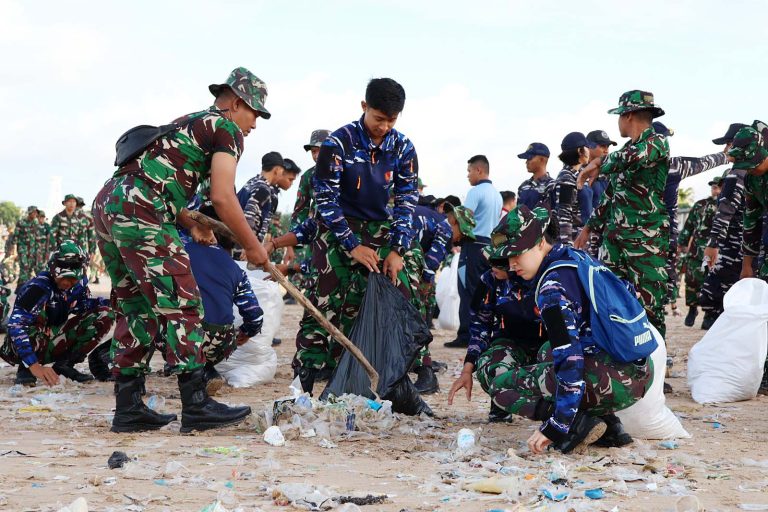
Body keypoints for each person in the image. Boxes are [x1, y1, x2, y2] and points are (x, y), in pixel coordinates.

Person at [92, 67, 269, 433]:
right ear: (237, 103)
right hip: (143, 211)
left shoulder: (188, 123)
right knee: (185, 304)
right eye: (255, 113)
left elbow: (159, 180)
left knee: (135, 306)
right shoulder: (227, 129)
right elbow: (222, 196)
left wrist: (190, 220)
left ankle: (128, 409)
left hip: (111, 203)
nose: (254, 124)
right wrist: (253, 246)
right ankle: (196, 404)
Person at [449, 206, 651, 453]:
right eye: (507, 258)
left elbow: (570, 358)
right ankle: (608, 425)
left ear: (540, 243)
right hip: (641, 374)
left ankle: (576, 423)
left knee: (502, 386)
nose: (511, 265)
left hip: (610, 380)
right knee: (548, 354)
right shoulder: (576, 259)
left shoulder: (550, 286)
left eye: (517, 255)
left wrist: (557, 425)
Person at [292, 77, 420, 394]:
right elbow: (325, 200)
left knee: (386, 306)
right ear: (364, 107)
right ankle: (303, 383)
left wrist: (397, 250)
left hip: (382, 236)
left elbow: (407, 201)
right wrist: (351, 245)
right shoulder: (338, 144)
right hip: (336, 234)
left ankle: (378, 384)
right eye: (379, 119)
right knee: (323, 308)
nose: (384, 127)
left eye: (392, 120)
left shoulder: (403, 148)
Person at [576, 90, 670, 337]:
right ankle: (620, 362)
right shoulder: (625, 153)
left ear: (627, 116)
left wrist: (597, 163)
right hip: (615, 241)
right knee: (610, 299)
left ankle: (657, 366)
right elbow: (610, 196)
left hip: (645, 244)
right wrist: (588, 229)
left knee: (650, 305)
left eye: (619, 116)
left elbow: (632, 157)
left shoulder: (656, 143)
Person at [2, 241, 114, 386]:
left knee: (105, 315)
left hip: (51, 340)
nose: (68, 282)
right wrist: (33, 365)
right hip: (22, 348)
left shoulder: (77, 287)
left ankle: (64, 365)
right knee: (37, 315)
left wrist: (113, 304)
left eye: (73, 279)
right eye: (64, 278)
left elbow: (84, 306)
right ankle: (26, 368)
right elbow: (16, 325)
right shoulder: (38, 288)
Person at [652, 122, 729, 317]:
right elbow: (704, 162)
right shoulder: (673, 166)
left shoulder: (628, 164)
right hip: (662, 237)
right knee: (661, 287)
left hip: (642, 237)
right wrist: (726, 154)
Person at [182, 228, 264, 395]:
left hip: (185, 338)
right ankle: (207, 370)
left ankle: (187, 372)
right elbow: (255, 314)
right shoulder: (234, 267)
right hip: (219, 341)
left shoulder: (180, 252)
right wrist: (246, 332)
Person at [445, 155, 502, 348]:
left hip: (473, 245)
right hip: (489, 247)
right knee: (484, 291)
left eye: (469, 170)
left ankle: (466, 336)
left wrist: (456, 234)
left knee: (467, 290)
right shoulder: (497, 194)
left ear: (479, 170)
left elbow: (464, 218)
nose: (468, 175)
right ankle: (483, 334)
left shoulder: (475, 191)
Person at [699, 123, 749, 329]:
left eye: (729, 143)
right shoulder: (755, 172)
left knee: (719, 299)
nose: (726, 149)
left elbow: (725, 211)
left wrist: (713, 244)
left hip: (733, 251)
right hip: (751, 250)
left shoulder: (736, 173)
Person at [678, 175, 722, 327]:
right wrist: (682, 243)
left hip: (715, 253)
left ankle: (709, 314)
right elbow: (689, 226)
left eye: (717, 187)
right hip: (696, 251)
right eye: (713, 187)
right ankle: (692, 309)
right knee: (691, 281)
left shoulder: (727, 207)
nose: (715, 190)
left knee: (710, 283)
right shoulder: (699, 205)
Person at [237, 151, 286, 249]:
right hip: (243, 245)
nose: (282, 176)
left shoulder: (251, 182)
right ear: (276, 170)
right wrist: (249, 246)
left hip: (236, 238)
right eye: (282, 172)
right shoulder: (263, 189)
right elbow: (249, 216)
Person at [555, 132, 595, 246]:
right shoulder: (566, 178)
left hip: (583, 240)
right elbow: (564, 215)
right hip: (574, 241)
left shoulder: (579, 176)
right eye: (587, 147)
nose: (589, 151)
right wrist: (567, 247)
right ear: (579, 151)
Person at [516, 143, 554, 210]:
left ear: (541, 159)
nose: (526, 162)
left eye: (529, 159)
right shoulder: (523, 186)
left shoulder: (552, 186)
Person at [13, 206, 38, 289]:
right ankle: (23, 288)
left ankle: (19, 287)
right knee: (24, 267)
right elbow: (15, 236)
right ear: (30, 212)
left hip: (32, 249)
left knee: (30, 268)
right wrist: (13, 250)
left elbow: (36, 237)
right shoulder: (21, 222)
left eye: (36, 212)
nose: (35, 214)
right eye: (34, 212)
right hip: (22, 248)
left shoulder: (35, 223)